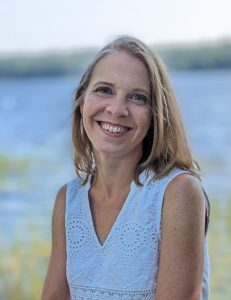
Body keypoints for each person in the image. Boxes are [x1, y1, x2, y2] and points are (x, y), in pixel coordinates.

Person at [41, 36, 210, 300]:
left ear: (156, 114)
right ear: (82, 100)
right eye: (105, 90)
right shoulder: (68, 200)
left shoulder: (178, 192)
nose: (117, 109)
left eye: (137, 97)